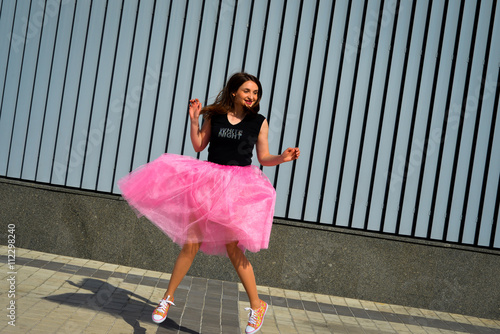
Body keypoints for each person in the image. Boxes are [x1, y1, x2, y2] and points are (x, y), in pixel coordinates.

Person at [118, 72, 300, 334]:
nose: (252, 96)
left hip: (238, 186)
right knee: (191, 242)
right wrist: (194, 121)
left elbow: (263, 157)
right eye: (247, 91)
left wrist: (282, 157)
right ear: (234, 92)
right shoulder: (214, 116)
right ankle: (166, 299)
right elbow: (199, 145)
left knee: (233, 247)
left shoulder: (258, 122)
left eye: (256, 93)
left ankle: (257, 305)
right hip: (208, 182)